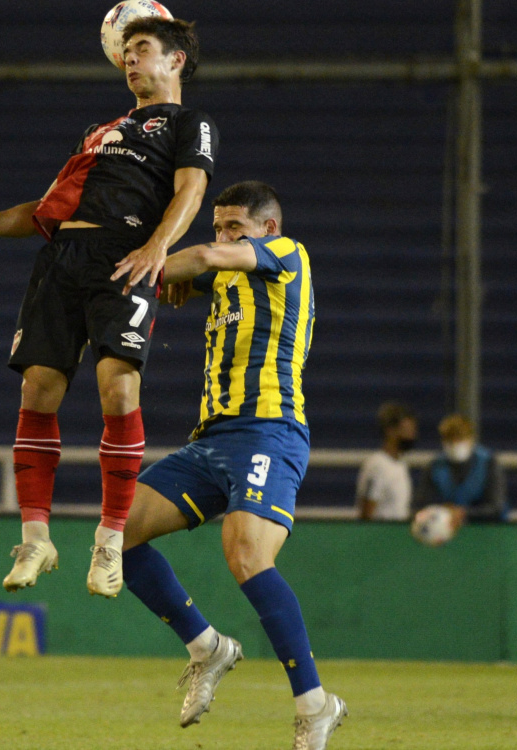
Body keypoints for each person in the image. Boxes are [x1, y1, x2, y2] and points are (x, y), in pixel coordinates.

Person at [0, 16, 218, 597]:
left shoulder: (190, 123)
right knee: (37, 390)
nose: (129, 59)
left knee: (118, 389)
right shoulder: (99, 131)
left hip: (125, 258)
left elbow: (191, 191)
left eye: (142, 49)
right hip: (62, 259)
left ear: (176, 60)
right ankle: (35, 538)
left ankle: (110, 539)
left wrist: (157, 247)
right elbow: (49, 207)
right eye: (126, 51)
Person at [118, 182, 347, 750]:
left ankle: (314, 705)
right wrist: (161, 276)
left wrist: (149, 262)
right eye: (218, 227)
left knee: (246, 553)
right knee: (119, 533)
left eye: (234, 229)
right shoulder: (226, 275)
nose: (222, 237)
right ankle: (207, 648)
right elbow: (188, 272)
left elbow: (196, 257)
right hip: (212, 439)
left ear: (268, 229)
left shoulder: (287, 253)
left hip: (270, 428)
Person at [414, 413, 508, 526]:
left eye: (459, 438)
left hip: (486, 528)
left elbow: (496, 508)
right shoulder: (435, 466)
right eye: (450, 439)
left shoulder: (489, 463)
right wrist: (442, 512)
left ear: (471, 439)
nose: (454, 444)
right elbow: (420, 504)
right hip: (447, 527)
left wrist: (464, 513)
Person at [356, 401, 418, 521]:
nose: (411, 435)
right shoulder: (377, 465)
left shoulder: (400, 464)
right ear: (390, 431)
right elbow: (367, 513)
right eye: (406, 430)